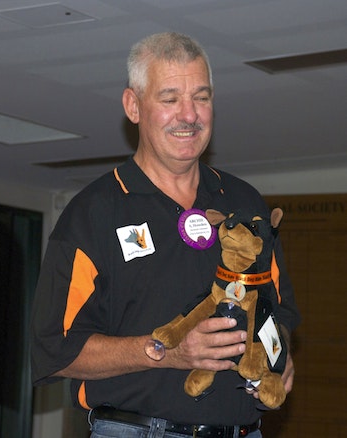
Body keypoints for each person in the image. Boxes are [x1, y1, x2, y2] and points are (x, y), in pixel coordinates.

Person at [31, 32, 300, 438]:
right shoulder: (94, 212)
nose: (189, 115)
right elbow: (56, 349)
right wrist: (166, 352)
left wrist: (277, 361)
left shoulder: (245, 202)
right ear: (133, 106)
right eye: (170, 98)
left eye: (202, 97)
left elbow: (277, 312)